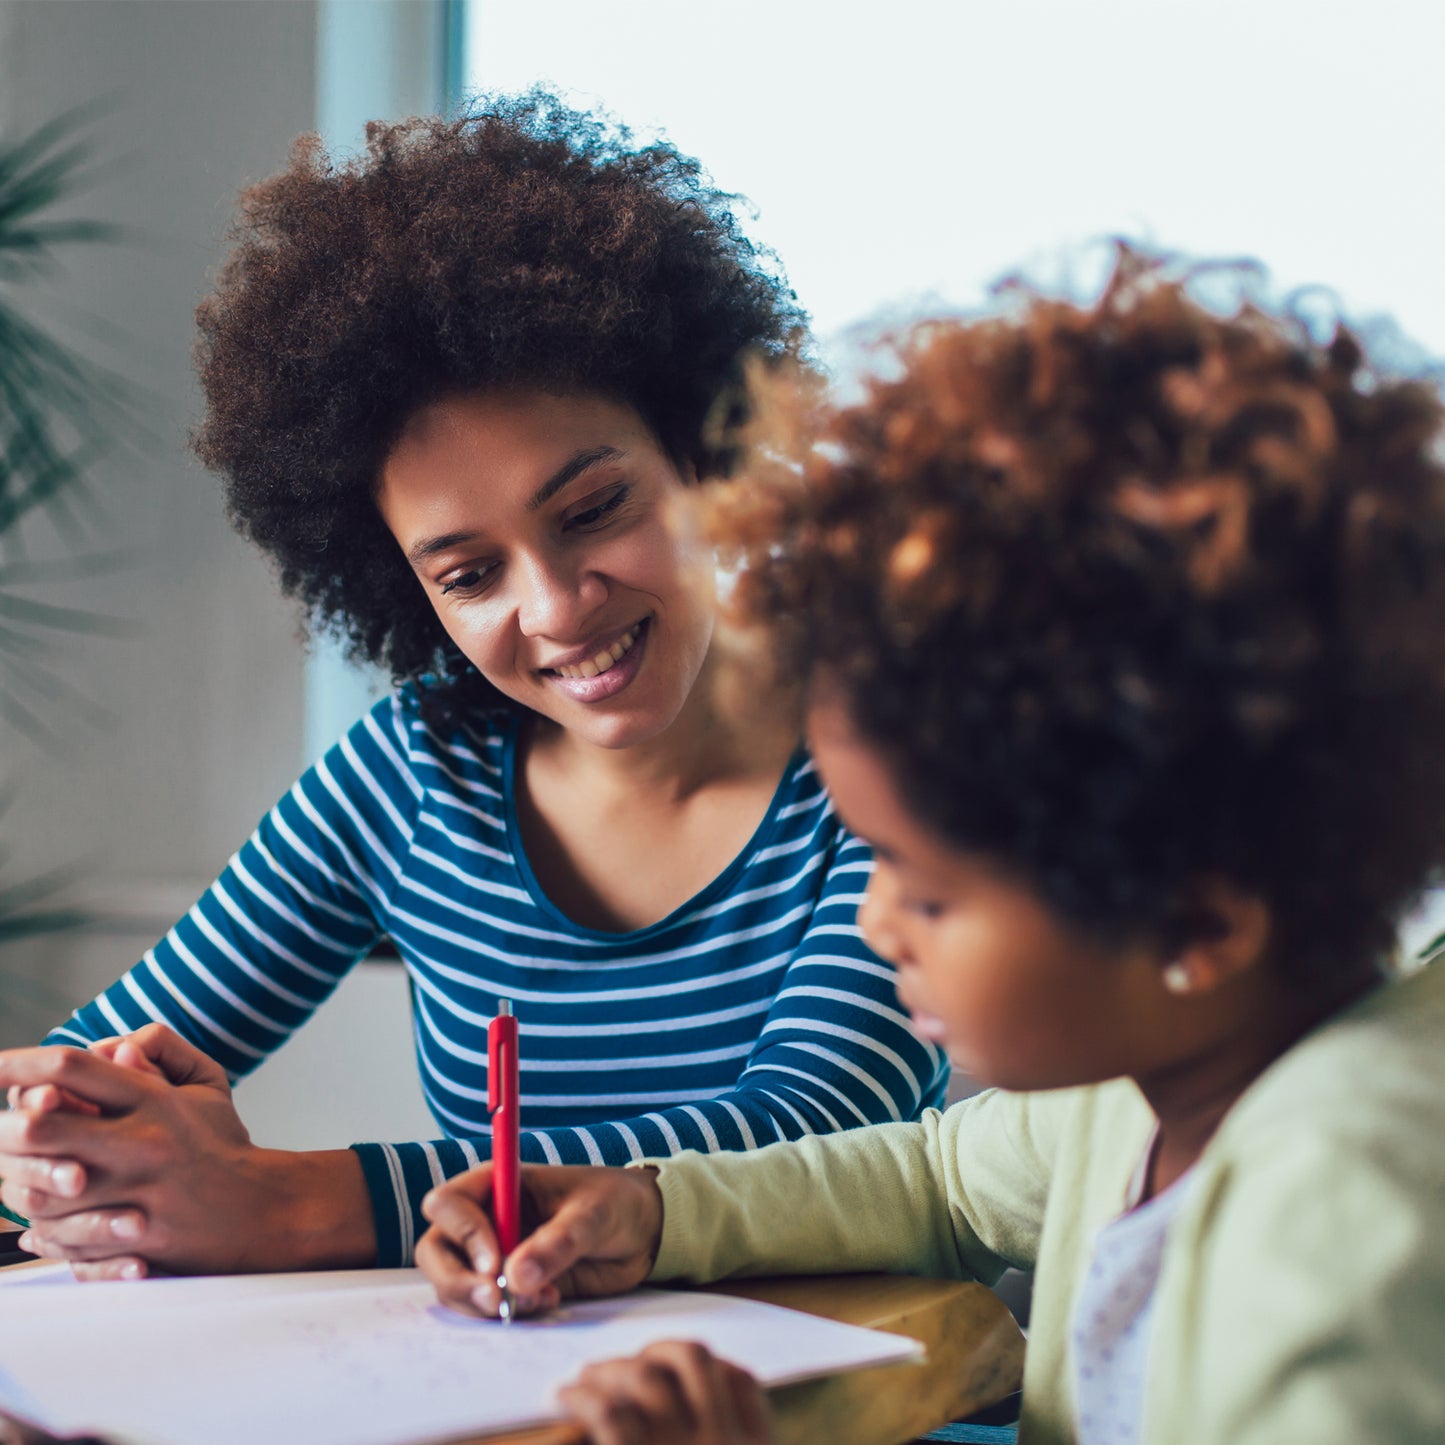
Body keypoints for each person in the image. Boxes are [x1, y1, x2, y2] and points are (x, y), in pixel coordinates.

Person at [414, 250, 1445, 1444]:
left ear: (1197, 919)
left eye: (931, 889)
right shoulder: (1163, 1068)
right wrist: (645, 1210)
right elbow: (941, 1180)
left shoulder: (1343, 1207)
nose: (873, 919)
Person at [0, 93, 947, 1280]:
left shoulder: (884, 751)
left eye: (594, 507)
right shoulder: (412, 770)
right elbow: (105, 1053)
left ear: (709, 454)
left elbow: (807, 1138)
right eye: (469, 571)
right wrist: (66, 1146)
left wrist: (291, 1200)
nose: (553, 606)